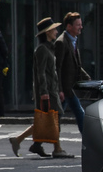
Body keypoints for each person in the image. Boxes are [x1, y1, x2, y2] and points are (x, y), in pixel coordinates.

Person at [8, 17, 73, 159]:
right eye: (54, 29)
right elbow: (40, 72)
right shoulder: (42, 49)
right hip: (47, 91)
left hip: (52, 90)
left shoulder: (49, 47)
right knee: (54, 118)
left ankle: (28, 142)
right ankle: (57, 149)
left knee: (48, 119)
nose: (56, 31)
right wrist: (44, 92)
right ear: (47, 32)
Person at [54, 12, 91, 133]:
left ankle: (42, 142)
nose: (81, 27)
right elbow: (57, 67)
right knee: (78, 113)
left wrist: (86, 77)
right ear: (69, 26)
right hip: (65, 88)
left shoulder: (73, 41)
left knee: (57, 116)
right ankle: (87, 140)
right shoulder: (61, 42)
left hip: (70, 87)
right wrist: (59, 89)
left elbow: (75, 64)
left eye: (81, 24)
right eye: (78, 25)